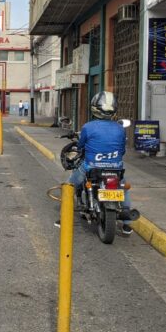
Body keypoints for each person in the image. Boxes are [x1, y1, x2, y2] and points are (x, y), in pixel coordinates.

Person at [56, 91, 134, 235]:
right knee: (123, 189)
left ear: (94, 108)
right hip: (116, 168)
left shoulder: (88, 127)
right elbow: (122, 150)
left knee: (69, 187)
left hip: (91, 167)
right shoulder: (119, 128)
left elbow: (80, 147)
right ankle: (127, 224)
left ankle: (63, 219)